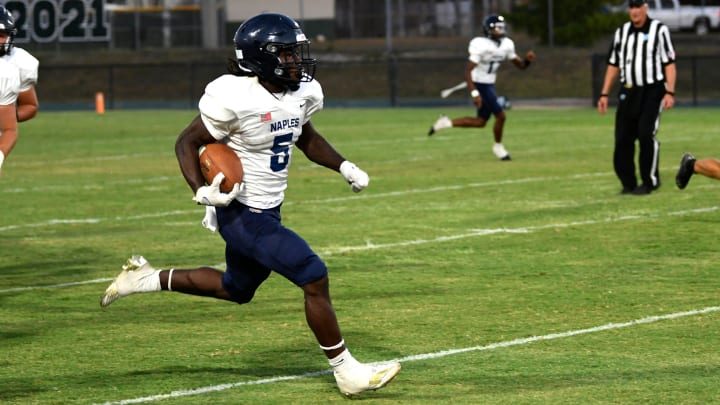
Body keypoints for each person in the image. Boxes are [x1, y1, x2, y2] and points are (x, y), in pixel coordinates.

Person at [100, 13, 400, 397]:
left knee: (237, 288)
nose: (297, 61)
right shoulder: (236, 97)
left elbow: (305, 137)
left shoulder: (301, 93)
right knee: (313, 273)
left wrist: (344, 165)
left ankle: (143, 279)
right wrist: (200, 190)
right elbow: (186, 143)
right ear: (262, 57)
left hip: (269, 208)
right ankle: (347, 372)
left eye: (296, 53)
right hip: (241, 213)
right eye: (288, 54)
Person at [428, 14, 535, 161]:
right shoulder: (480, 44)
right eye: (498, 28)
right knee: (501, 116)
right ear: (489, 29)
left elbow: (521, 66)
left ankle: (446, 123)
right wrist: (474, 93)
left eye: (502, 27)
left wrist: (527, 61)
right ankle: (498, 147)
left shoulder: (507, 44)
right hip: (479, 83)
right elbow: (468, 71)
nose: (501, 30)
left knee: (481, 122)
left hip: (489, 83)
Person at [597, 0, 676, 195]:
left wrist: (670, 92)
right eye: (631, 7)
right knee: (622, 138)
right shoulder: (622, 33)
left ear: (646, 8)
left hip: (652, 90)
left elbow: (669, 63)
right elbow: (614, 64)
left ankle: (650, 181)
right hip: (628, 90)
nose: (634, 11)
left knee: (645, 134)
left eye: (638, 6)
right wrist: (604, 93)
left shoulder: (659, 30)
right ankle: (628, 183)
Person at [0, 6, 39, 123]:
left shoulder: (18, 61)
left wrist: (5, 120)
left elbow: (29, 106)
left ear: (9, 36)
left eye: (0, 35)